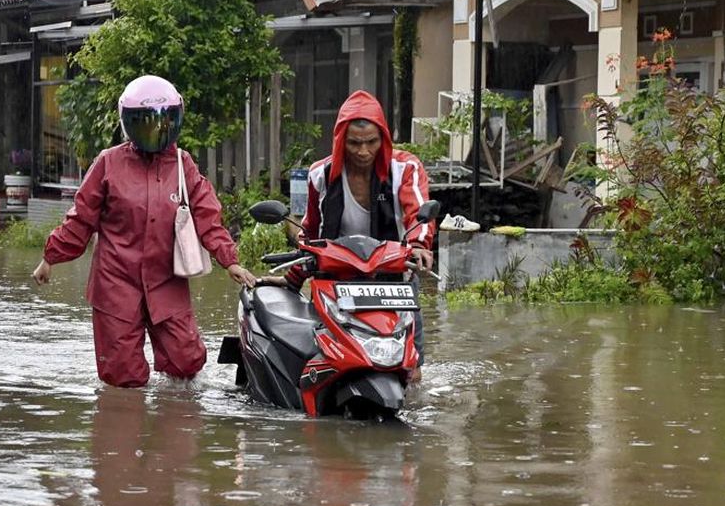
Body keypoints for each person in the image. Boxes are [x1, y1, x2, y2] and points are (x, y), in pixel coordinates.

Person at [32, 75, 256, 388]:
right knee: (122, 377)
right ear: (129, 124)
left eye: (162, 123)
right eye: (144, 123)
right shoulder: (108, 164)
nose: (154, 131)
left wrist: (229, 260)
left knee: (186, 362)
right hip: (115, 283)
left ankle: (174, 423)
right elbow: (81, 219)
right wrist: (50, 257)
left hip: (167, 280)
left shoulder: (183, 165)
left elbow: (208, 216)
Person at [270, 90, 477, 369]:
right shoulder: (321, 174)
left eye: (371, 142)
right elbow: (311, 231)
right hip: (338, 280)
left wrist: (418, 246)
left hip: (393, 279)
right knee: (325, 360)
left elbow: (418, 211)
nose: (363, 151)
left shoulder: (405, 168)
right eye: (354, 143)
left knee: (410, 367)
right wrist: (293, 278)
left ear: (383, 139)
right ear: (341, 141)